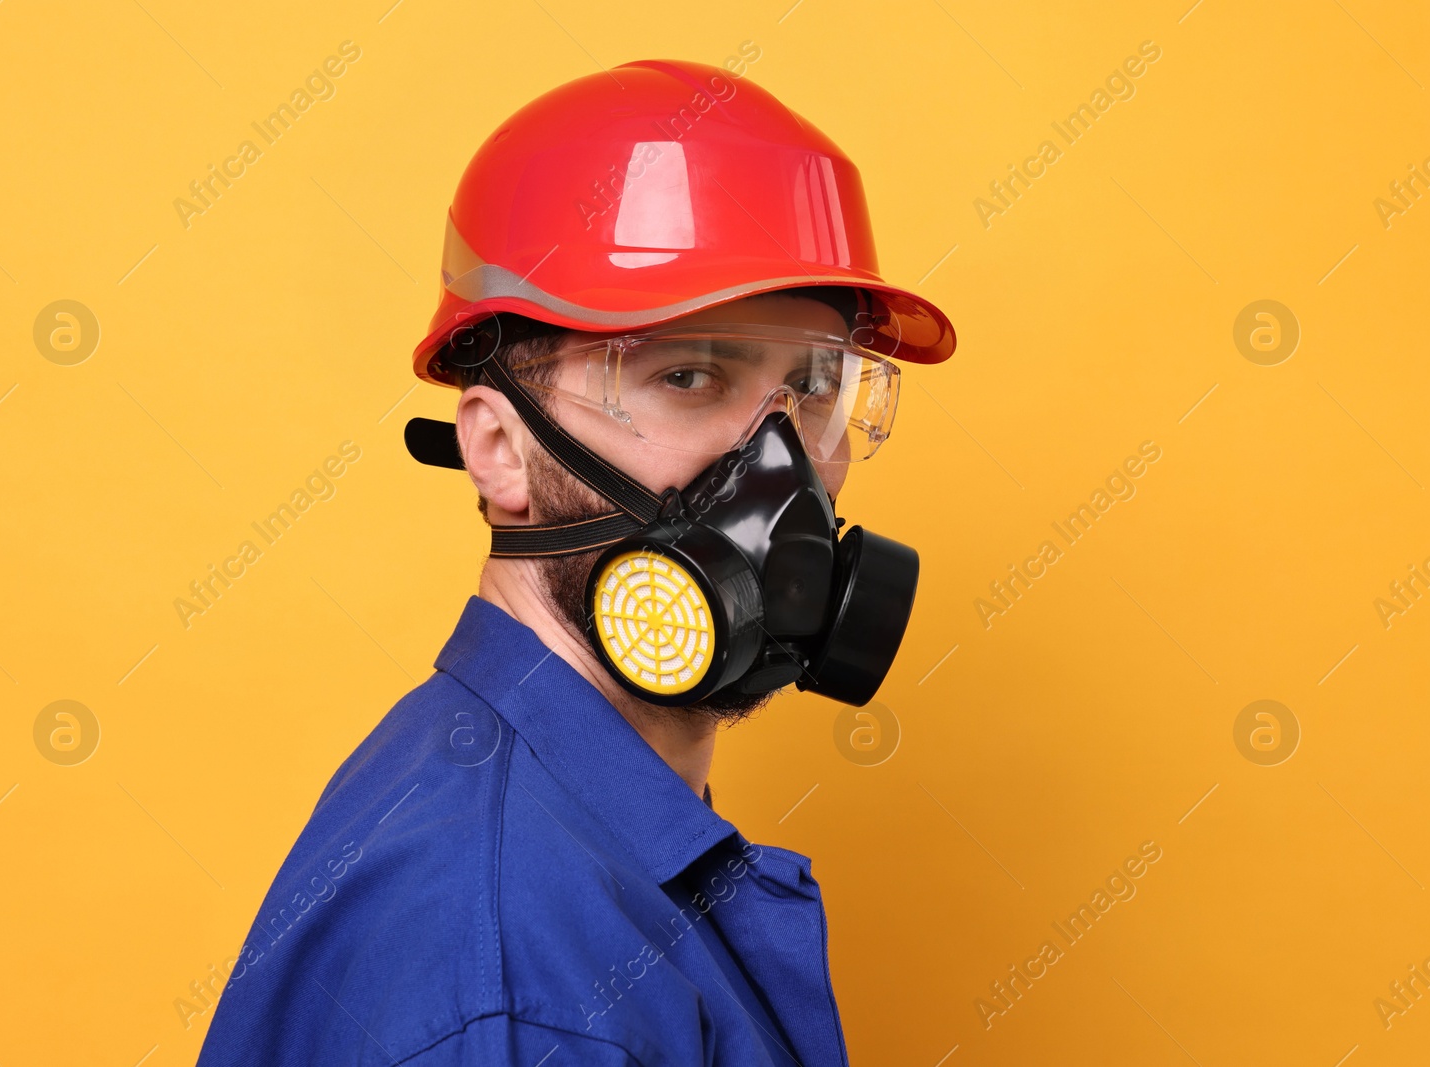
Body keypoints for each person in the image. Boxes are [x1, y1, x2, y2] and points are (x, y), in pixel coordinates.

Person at [198, 57, 955, 1066]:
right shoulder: (518, 973)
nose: (781, 462)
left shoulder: (559, 829)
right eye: (687, 373)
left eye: (813, 386)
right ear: (500, 447)